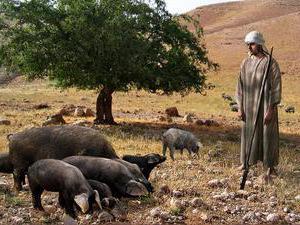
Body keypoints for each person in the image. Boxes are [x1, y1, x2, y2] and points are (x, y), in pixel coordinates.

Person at [236, 31, 282, 177]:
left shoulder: (270, 63)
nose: (249, 47)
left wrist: (271, 109)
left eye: (252, 44)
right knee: (248, 133)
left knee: (268, 135)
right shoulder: (245, 62)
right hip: (248, 106)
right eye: (248, 44)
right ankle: (245, 163)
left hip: (265, 106)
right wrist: (239, 107)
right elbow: (240, 86)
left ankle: (270, 167)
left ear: (260, 44)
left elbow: (276, 87)